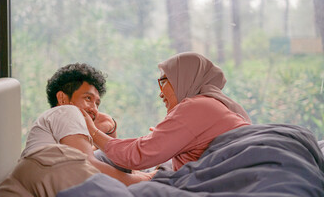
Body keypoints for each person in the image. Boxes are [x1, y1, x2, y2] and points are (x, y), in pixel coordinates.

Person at [0, 63, 154, 197]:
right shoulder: (66, 111)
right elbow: (88, 167)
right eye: (88, 98)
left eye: (97, 103)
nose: (94, 109)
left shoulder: (61, 128)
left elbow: (111, 158)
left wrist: (108, 128)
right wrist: (143, 179)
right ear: (62, 98)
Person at [81, 52, 252, 172]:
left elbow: (136, 156)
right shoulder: (212, 106)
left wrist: (92, 131)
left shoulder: (196, 107)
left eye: (163, 81)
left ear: (184, 78)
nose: (160, 92)